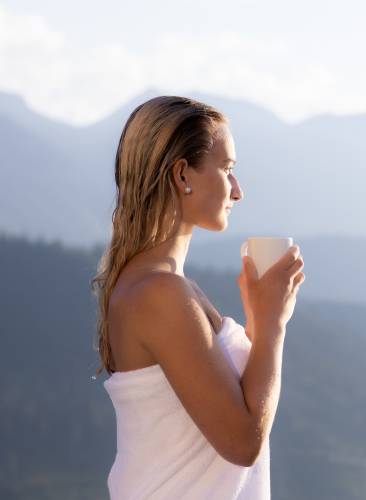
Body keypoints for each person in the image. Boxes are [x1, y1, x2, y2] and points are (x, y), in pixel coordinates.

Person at [89, 95, 305, 499]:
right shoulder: (159, 293)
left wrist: (262, 320)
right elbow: (242, 443)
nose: (237, 190)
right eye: (227, 169)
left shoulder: (162, 286)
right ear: (182, 174)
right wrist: (272, 324)